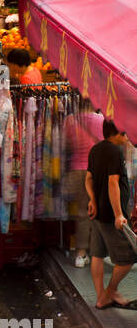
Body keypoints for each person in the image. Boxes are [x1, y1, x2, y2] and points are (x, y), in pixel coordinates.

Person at [86, 119, 134, 310]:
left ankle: (101, 298)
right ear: (119, 132)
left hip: (97, 213)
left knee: (97, 255)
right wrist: (118, 215)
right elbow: (113, 183)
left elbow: (88, 179)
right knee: (128, 258)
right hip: (109, 215)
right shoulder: (115, 151)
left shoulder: (95, 149)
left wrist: (92, 199)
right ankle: (110, 292)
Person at [65, 100, 105, 267]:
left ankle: (81, 253)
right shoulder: (101, 120)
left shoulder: (69, 121)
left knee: (82, 214)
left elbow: (66, 146)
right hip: (96, 171)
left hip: (76, 172)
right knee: (99, 213)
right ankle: (95, 253)